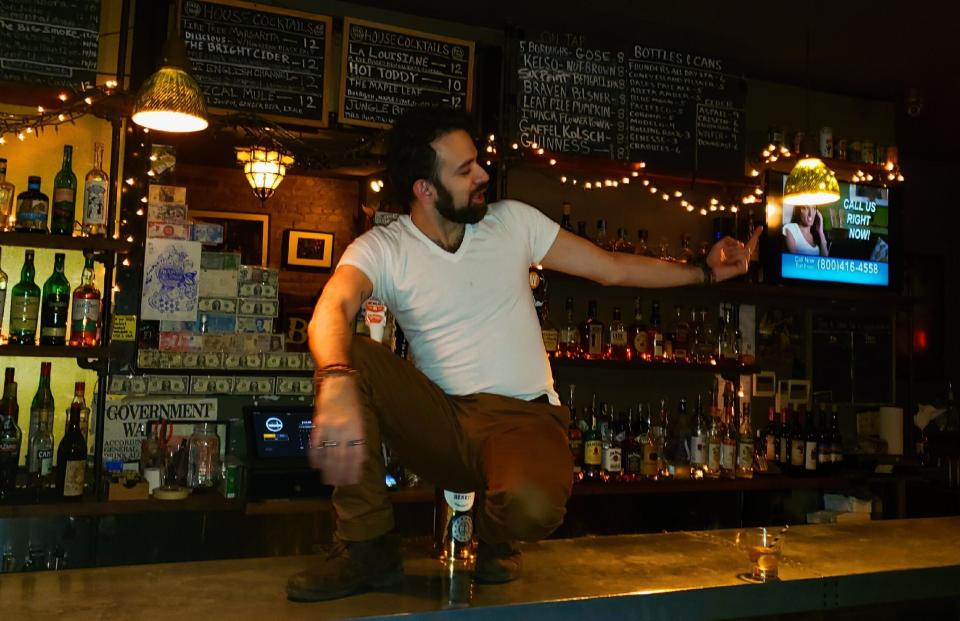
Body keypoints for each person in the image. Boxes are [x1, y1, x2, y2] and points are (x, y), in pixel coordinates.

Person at [286, 106, 761, 602]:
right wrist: (337, 379)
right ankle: (367, 548)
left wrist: (703, 273)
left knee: (534, 507)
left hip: (523, 418)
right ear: (424, 189)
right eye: (464, 170)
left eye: (478, 162)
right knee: (346, 357)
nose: (483, 175)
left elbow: (611, 268)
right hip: (442, 420)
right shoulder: (384, 247)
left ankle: (494, 538)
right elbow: (332, 308)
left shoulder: (511, 223)